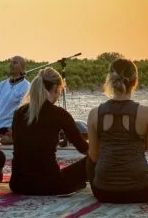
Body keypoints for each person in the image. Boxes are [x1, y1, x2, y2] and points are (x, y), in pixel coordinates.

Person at [87, 58, 148, 203]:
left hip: (102, 192)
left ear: (110, 80)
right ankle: (138, 174)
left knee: (88, 160)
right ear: (135, 82)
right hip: (140, 191)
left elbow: (94, 157)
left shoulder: (95, 114)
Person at [10, 67, 89, 195]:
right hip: (49, 185)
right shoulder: (60, 114)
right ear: (56, 88)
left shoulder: (19, 112)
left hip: (18, 184)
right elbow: (83, 148)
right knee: (93, 161)